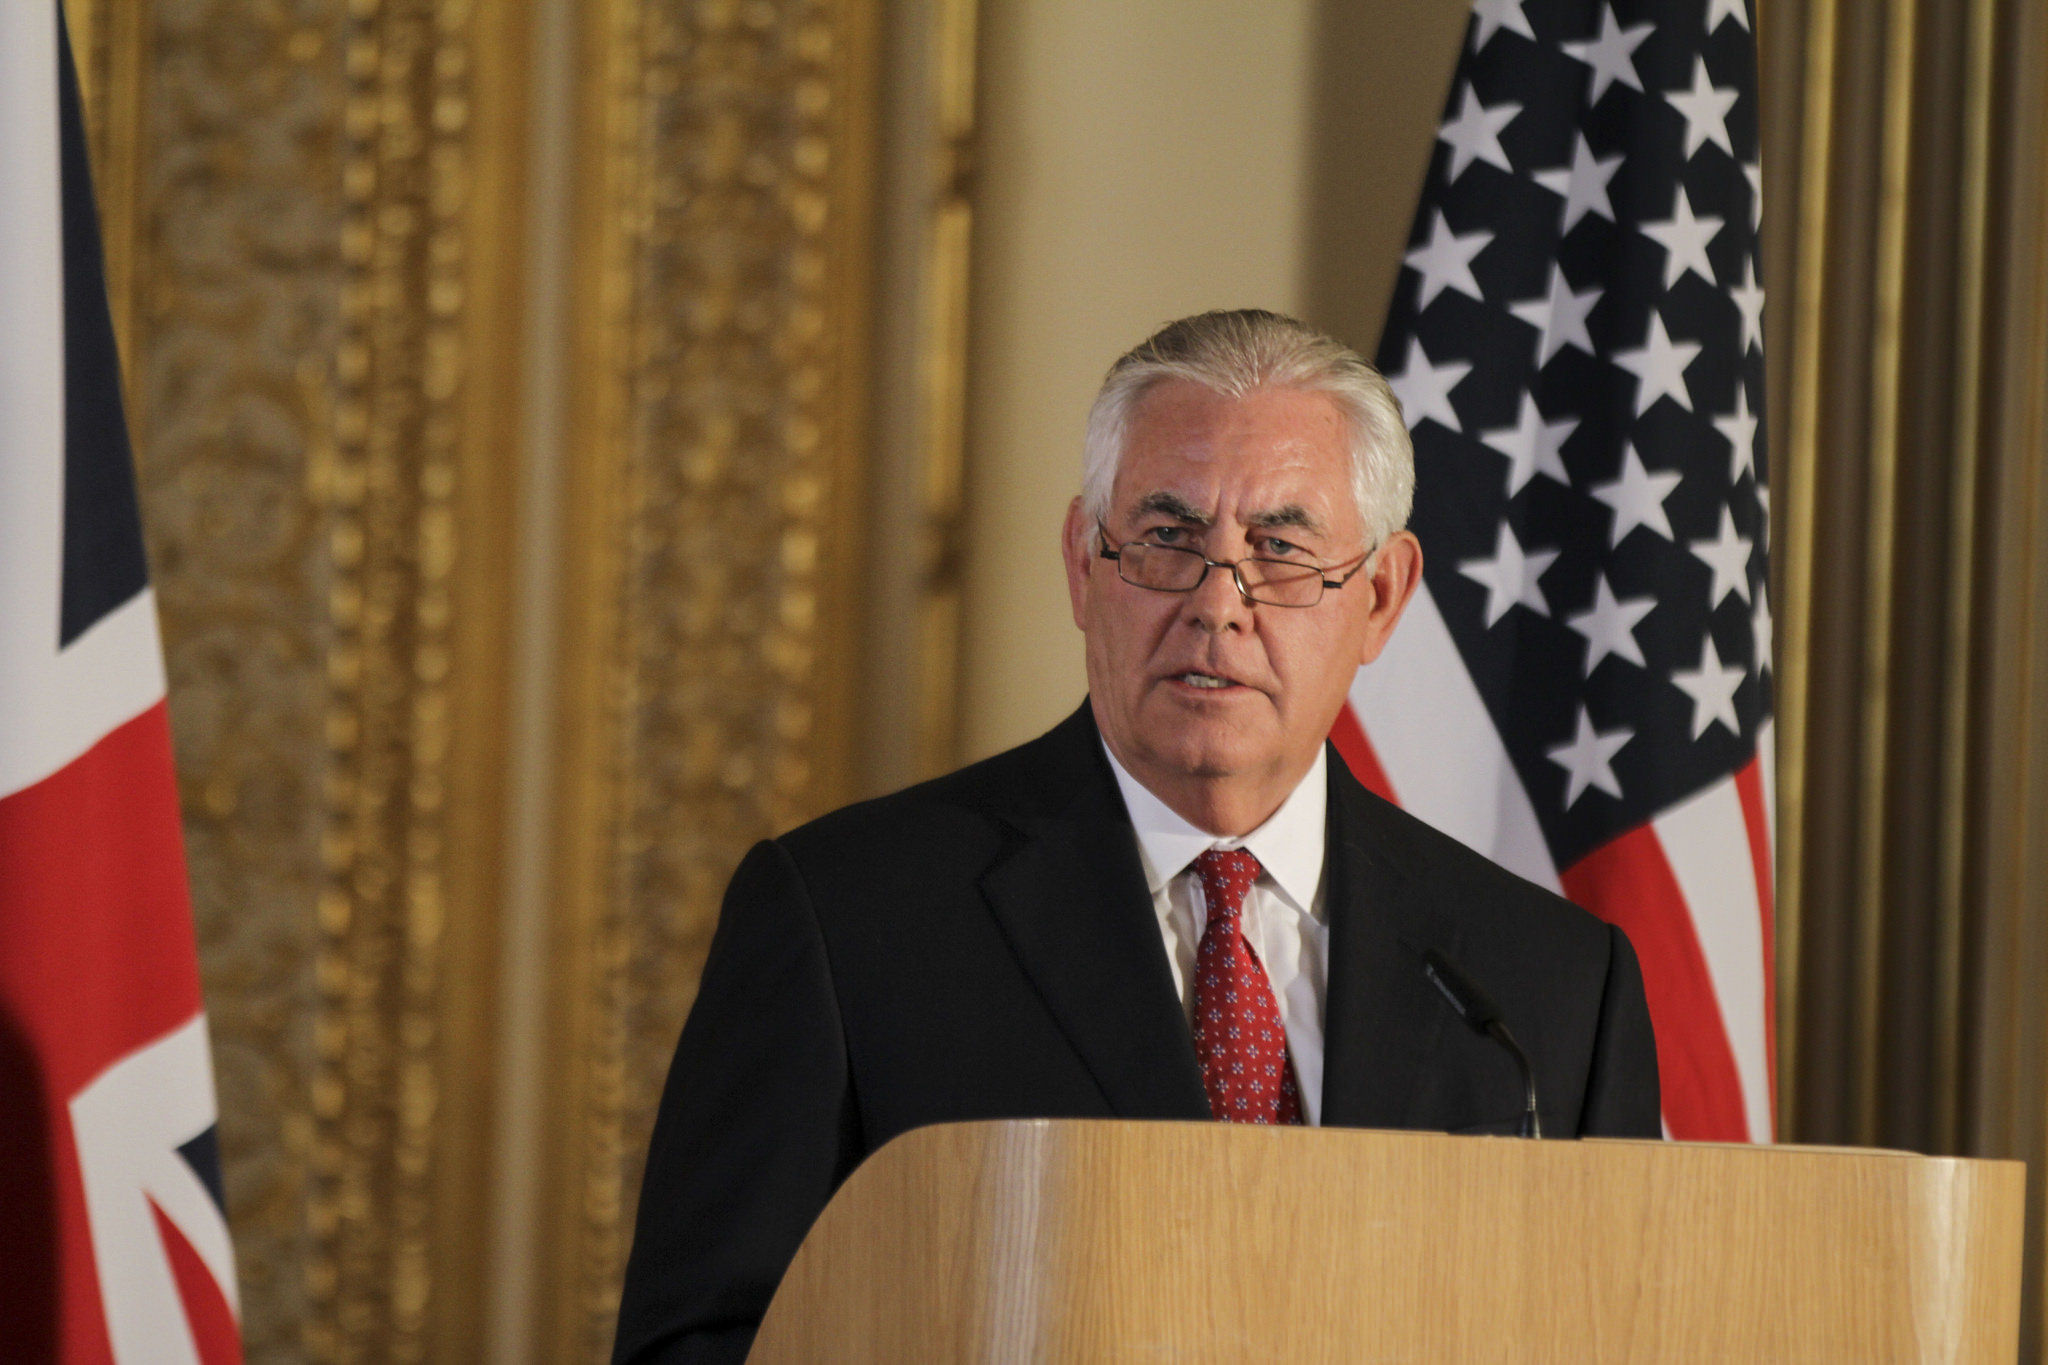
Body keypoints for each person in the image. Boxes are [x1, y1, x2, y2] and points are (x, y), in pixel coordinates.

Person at [611, 310, 1661, 1364]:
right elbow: (702, 1344)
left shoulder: (1547, 988)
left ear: (1381, 597)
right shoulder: (847, 922)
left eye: (1280, 550)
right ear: (1083, 563)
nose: (1218, 604)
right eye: (1167, 540)